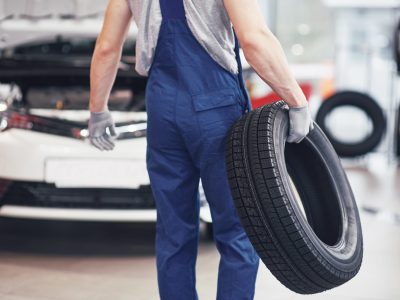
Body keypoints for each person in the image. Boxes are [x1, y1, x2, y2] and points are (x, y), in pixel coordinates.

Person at [88, 0, 313, 299]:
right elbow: (254, 39)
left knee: (173, 233)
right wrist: (296, 100)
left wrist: (98, 109)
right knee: (238, 230)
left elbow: (106, 47)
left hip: (162, 108)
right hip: (215, 108)